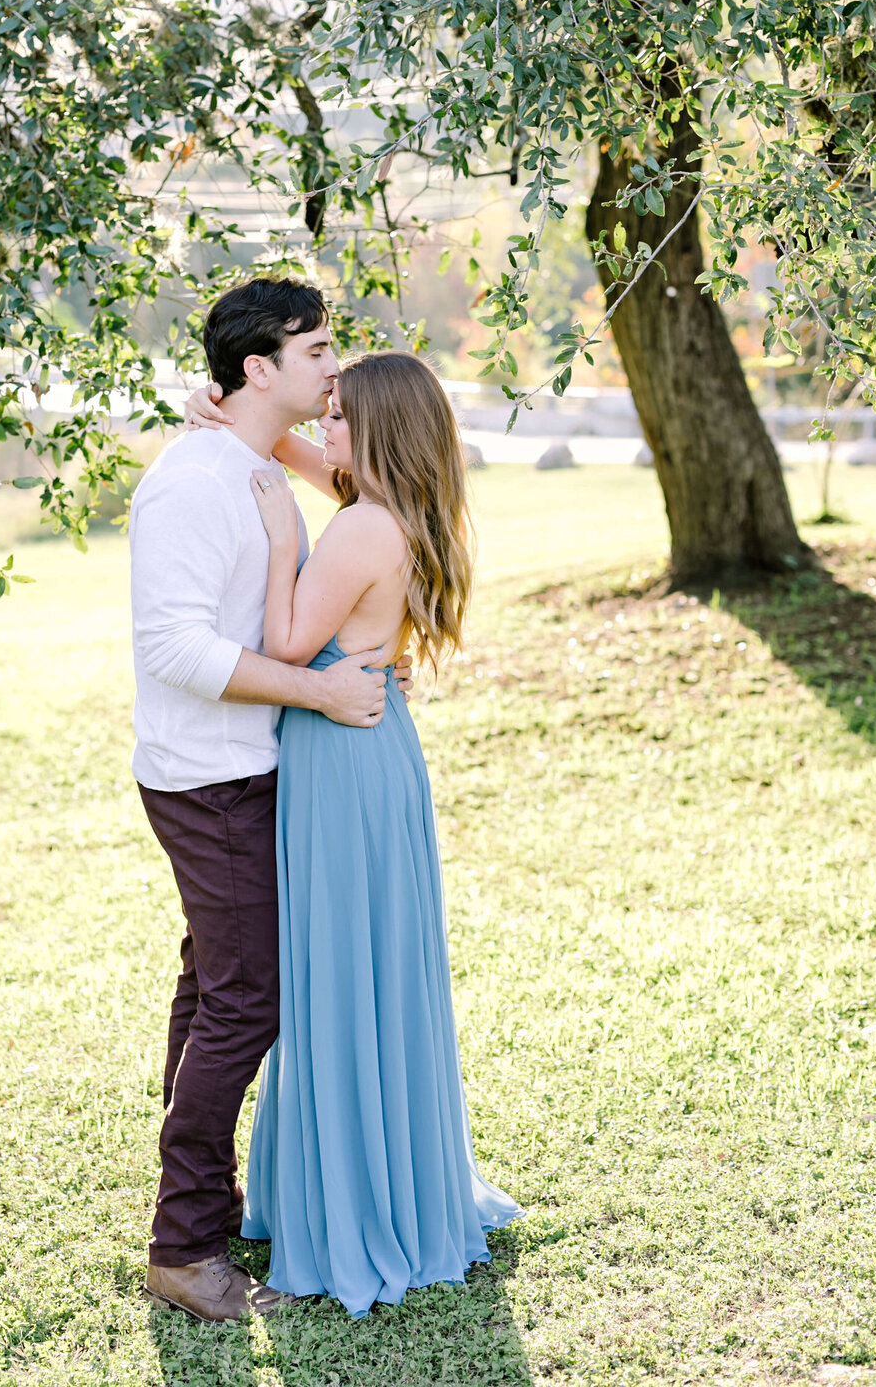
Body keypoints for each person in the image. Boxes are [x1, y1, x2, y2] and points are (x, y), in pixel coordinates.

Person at [184, 349, 523, 1317]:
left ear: (373, 434)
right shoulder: (397, 505)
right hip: (377, 760)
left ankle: (354, 1208)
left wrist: (281, 537)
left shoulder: (358, 530)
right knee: (373, 975)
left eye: (337, 417)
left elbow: (288, 644)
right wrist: (248, 429)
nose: (323, 431)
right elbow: (317, 461)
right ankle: (385, 1176)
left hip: (340, 764)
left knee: (337, 975)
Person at [129, 278, 413, 1324]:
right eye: (318, 351)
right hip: (211, 779)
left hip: (258, 769)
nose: (335, 367)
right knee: (248, 1000)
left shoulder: (254, 465)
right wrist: (319, 688)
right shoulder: (194, 483)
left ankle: (201, 1209)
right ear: (260, 368)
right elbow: (171, 646)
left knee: (218, 987)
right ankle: (185, 1245)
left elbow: (380, 501)